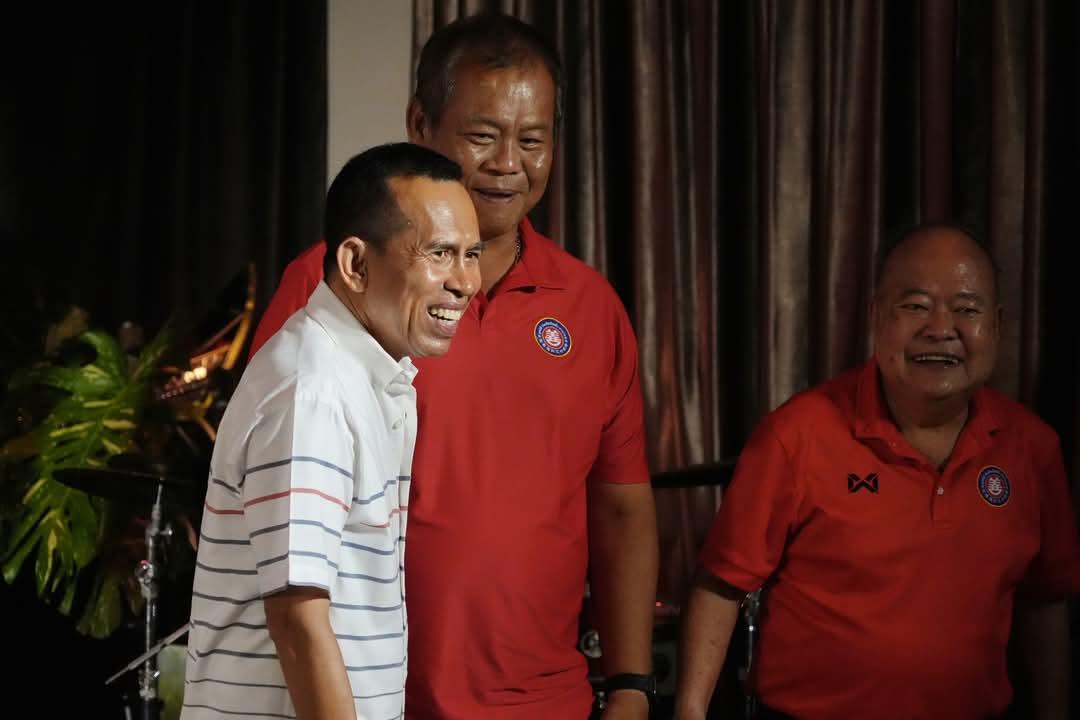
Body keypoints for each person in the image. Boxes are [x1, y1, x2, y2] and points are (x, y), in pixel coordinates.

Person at [246, 14, 659, 720]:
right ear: (420, 123)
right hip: (366, 701)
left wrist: (631, 685)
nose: (508, 164)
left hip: (544, 704)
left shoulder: (591, 308)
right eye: (483, 135)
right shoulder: (333, 285)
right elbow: (275, 504)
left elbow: (620, 509)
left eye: (532, 140)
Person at [674, 223, 1080, 720]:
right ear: (875, 317)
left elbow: (1047, 602)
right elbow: (721, 585)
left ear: (996, 325)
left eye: (966, 309)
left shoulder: (1034, 448)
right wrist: (689, 711)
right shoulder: (797, 434)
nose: (940, 328)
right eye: (915, 306)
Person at [180, 142, 482, 720]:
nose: (465, 281)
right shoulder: (313, 391)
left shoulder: (368, 378)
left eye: (472, 254)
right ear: (355, 264)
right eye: (441, 253)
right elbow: (298, 618)